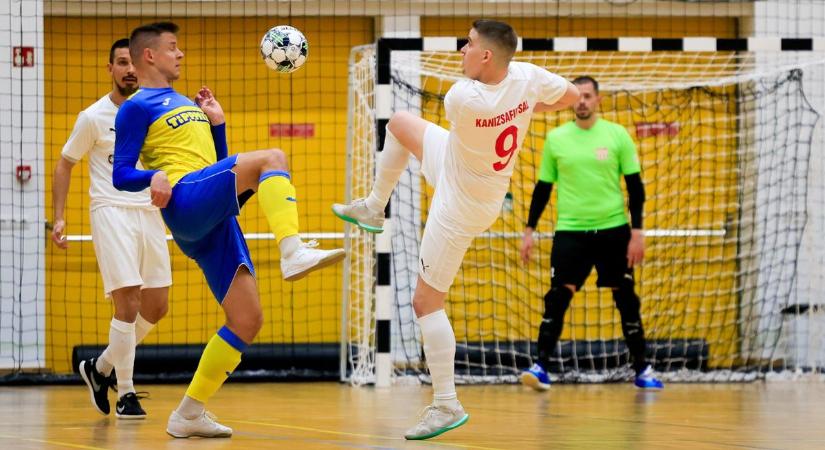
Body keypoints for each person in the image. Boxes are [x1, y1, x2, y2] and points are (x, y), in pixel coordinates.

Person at [333, 19, 579, 440]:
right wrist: (527, 107)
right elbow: (573, 96)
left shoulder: (462, 97)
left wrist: (520, 107)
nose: (461, 51)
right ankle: (374, 207)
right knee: (400, 124)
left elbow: (492, 102)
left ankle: (446, 403)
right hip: (464, 168)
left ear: (486, 55)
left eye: (468, 44)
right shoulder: (527, 77)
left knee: (425, 301)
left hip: (461, 203)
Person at [112, 22, 345, 438]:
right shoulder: (137, 105)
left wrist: (217, 125)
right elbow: (120, 173)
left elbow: (219, 171)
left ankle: (188, 413)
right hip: (184, 200)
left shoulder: (184, 101)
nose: (180, 54)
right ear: (150, 55)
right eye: (172, 47)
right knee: (272, 156)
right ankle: (291, 249)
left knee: (247, 319)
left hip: (211, 212)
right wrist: (154, 176)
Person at [518, 75, 664, 391]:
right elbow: (543, 189)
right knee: (557, 298)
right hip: (571, 233)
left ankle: (643, 369)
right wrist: (528, 230)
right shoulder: (556, 139)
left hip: (614, 231)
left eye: (587, 96)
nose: (582, 101)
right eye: (577, 96)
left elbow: (635, 188)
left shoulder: (617, 135)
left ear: (597, 99)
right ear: (571, 101)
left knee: (626, 299)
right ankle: (541, 367)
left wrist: (637, 231)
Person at [51, 38, 170, 420]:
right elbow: (65, 163)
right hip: (111, 211)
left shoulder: (151, 111)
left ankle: (99, 368)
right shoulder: (93, 117)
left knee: (157, 306)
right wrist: (60, 217)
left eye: (133, 62)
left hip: (148, 213)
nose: (129, 69)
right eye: (122, 63)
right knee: (129, 301)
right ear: (111, 69)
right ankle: (126, 393)